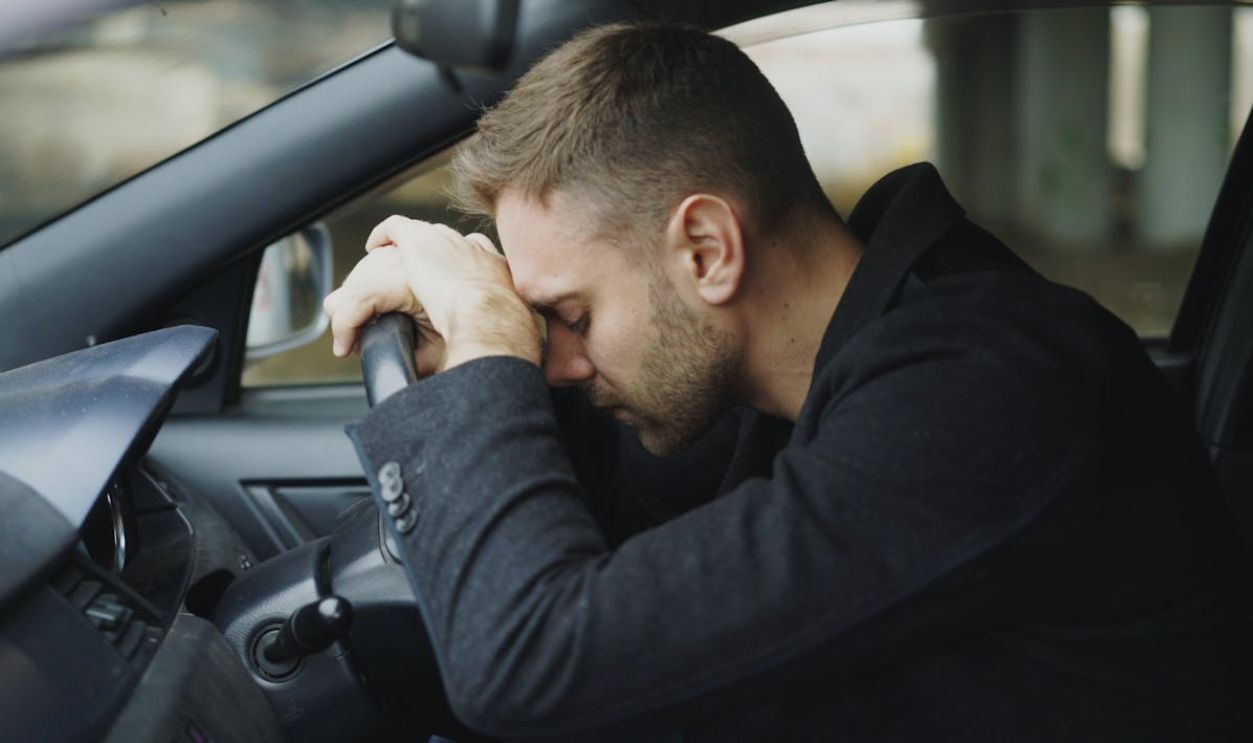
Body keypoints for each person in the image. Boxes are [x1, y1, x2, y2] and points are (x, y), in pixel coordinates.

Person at [322, 22, 1253, 742]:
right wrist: (494, 346)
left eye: (571, 315)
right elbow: (615, 521)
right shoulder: (792, 370)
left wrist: (487, 347)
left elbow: (530, 662)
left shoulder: (983, 393)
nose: (556, 360)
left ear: (705, 249)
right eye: (537, 325)